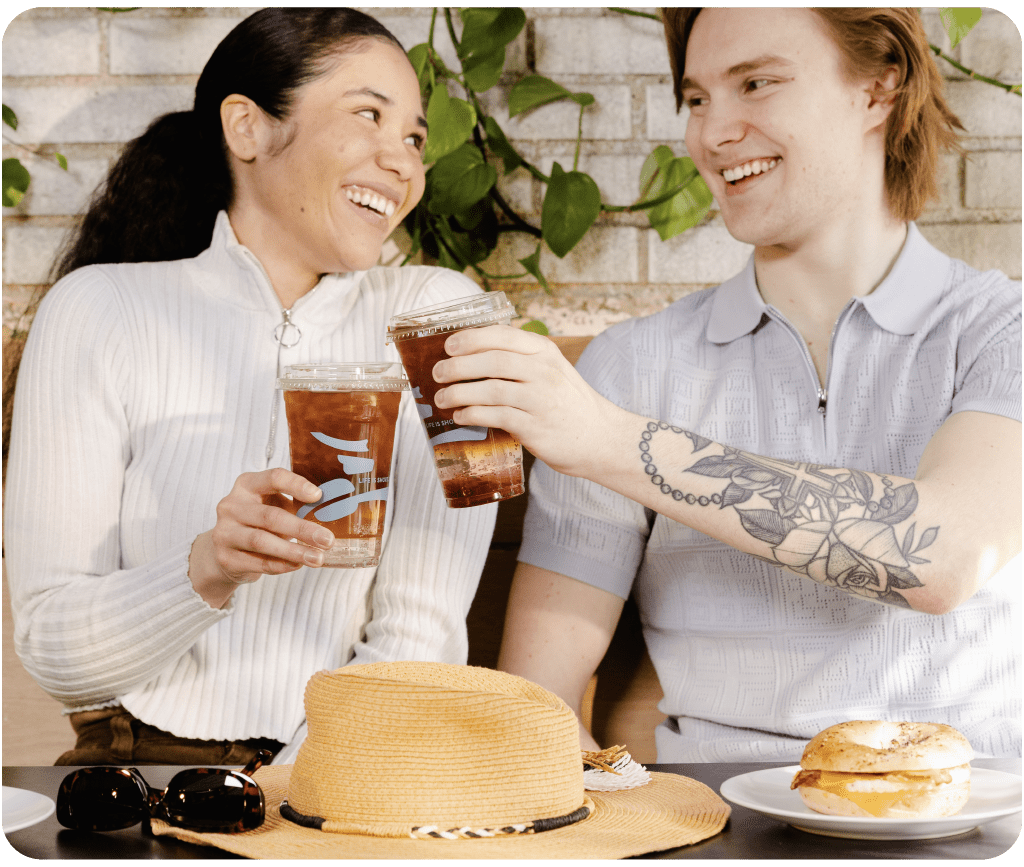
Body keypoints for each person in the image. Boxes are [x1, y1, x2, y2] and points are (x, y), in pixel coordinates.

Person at [430, 7, 1022, 760]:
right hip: (716, 829)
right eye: (698, 98)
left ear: (879, 89)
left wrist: (607, 437)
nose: (711, 135)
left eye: (757, 83)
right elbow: (538, 702)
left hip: (973, 821)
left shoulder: (1002, 330)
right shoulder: (631, 366)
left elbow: (940, 555)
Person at [3, 7, 496, 766]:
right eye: (369, 114)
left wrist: (298, 789)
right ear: (248, 128)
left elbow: (419, 632)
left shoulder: (441, 319)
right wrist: (208, 566)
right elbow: (56, 652)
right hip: (139, 768)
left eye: (415, 137)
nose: (403, 162)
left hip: (352, 771)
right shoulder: (100, 309)